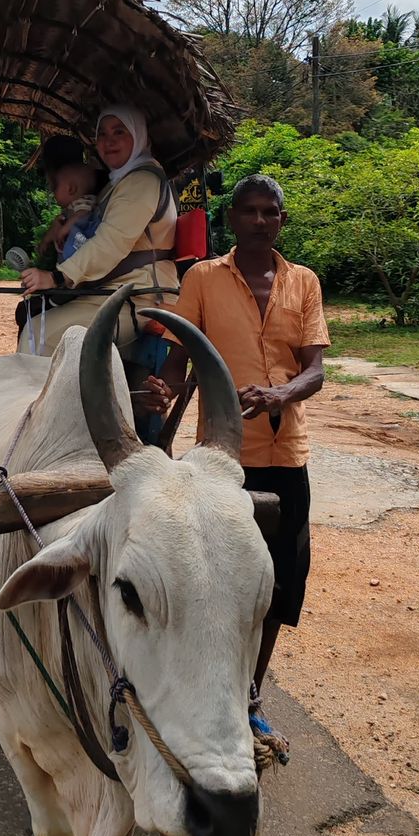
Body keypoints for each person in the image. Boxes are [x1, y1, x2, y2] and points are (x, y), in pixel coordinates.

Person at [156, 173, 329, 737]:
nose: (260, 219)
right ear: (231, 219)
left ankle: (250, 693)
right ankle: (208, 684)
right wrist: (161, 393)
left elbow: (314, 370)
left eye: (270, 211)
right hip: (223, 459)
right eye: (249, 211)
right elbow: (178, 360)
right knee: (217, 580)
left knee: (278, 582)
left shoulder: (303, 282)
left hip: (287, 456)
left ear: (282, 219)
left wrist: (281, 392)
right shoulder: (203, 278)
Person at [18, 105, 177, 354]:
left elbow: (110, 242)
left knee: (37, 335)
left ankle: (42, 395)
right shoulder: (118, 182)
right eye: (102, 134)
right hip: (113, 292)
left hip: (141, 297)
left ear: (137, 135)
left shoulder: (142, 181)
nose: (109, 141)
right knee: (34, 318)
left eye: (119, 132)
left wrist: (58, 277)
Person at [41, 161, 103, 264]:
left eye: (55, 187)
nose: (53, 192)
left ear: (71, 189)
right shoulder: (71, 207)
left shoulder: (85, 201)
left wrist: (64, 229)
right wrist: (47, 240)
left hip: (80, 253)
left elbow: (82, 214)